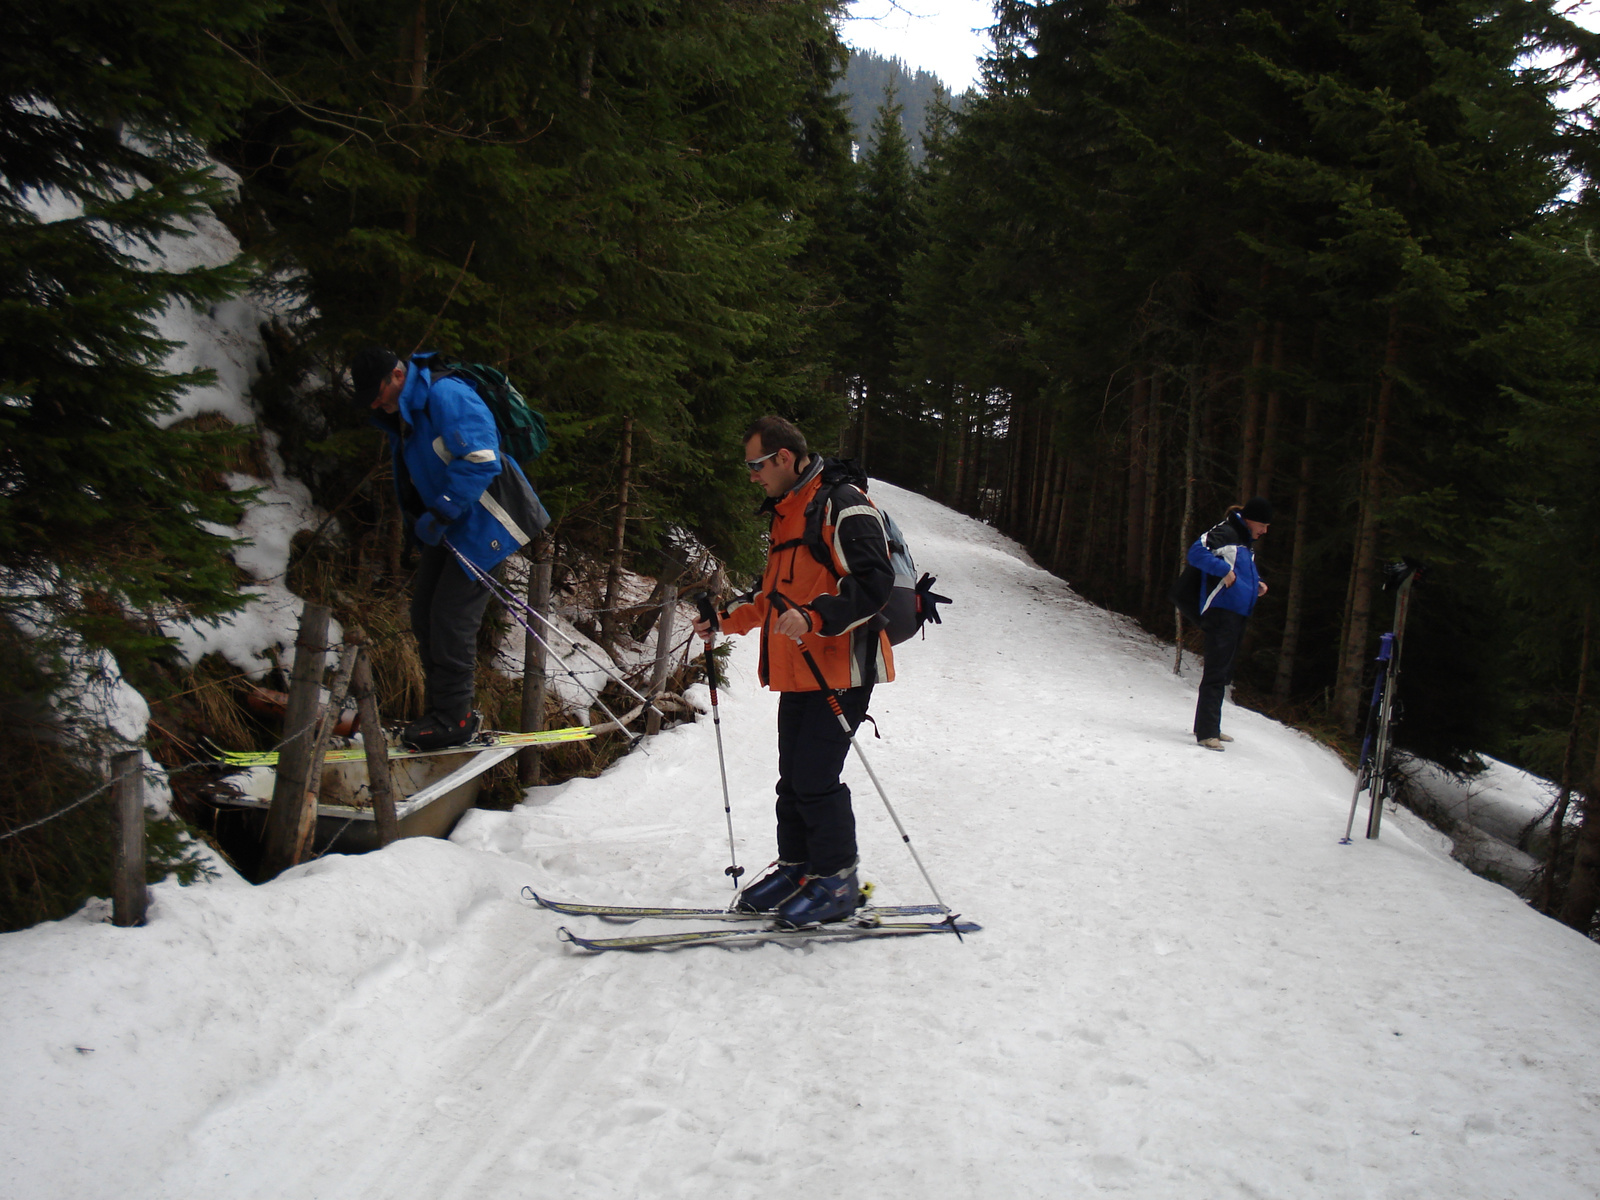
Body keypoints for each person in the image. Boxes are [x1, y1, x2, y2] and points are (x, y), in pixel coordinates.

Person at [690, 415, 896, 927]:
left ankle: (837, 880)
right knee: (792, 779)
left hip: (842, 668)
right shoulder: (786, 513)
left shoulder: (841, 502)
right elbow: (773, 598)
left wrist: (818, 615)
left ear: (784, 457)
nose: (752, 476)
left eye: (756, 466)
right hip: (801, 671)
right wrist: (724, 619)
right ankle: (799, 868)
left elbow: (875, 581)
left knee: (815, 777)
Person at [350, 347, 547, 750]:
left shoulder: (445, 395)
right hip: (450, 526)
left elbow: (481, 459)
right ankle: (440, 712)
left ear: (397, 376)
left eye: (376, 392)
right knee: (424, 614)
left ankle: (455, 717)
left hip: (485, 522)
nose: (374, 403)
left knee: (450, 618)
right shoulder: (408, 411)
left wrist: (440, 511)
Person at [1187, 497, 1271, 751]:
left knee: (1223, 671)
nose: (1265, 530)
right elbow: (1196, 552)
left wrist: (1256, 584)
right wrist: (1223, 572)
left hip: (1236, 612)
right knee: (1216, 670)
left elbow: (1239, 569)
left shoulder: (1243, 538)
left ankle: (1208, 725)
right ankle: (1206, 732)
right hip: (1221, 611)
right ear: (1251, 518)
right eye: (1263, 524)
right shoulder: (1226, 531)